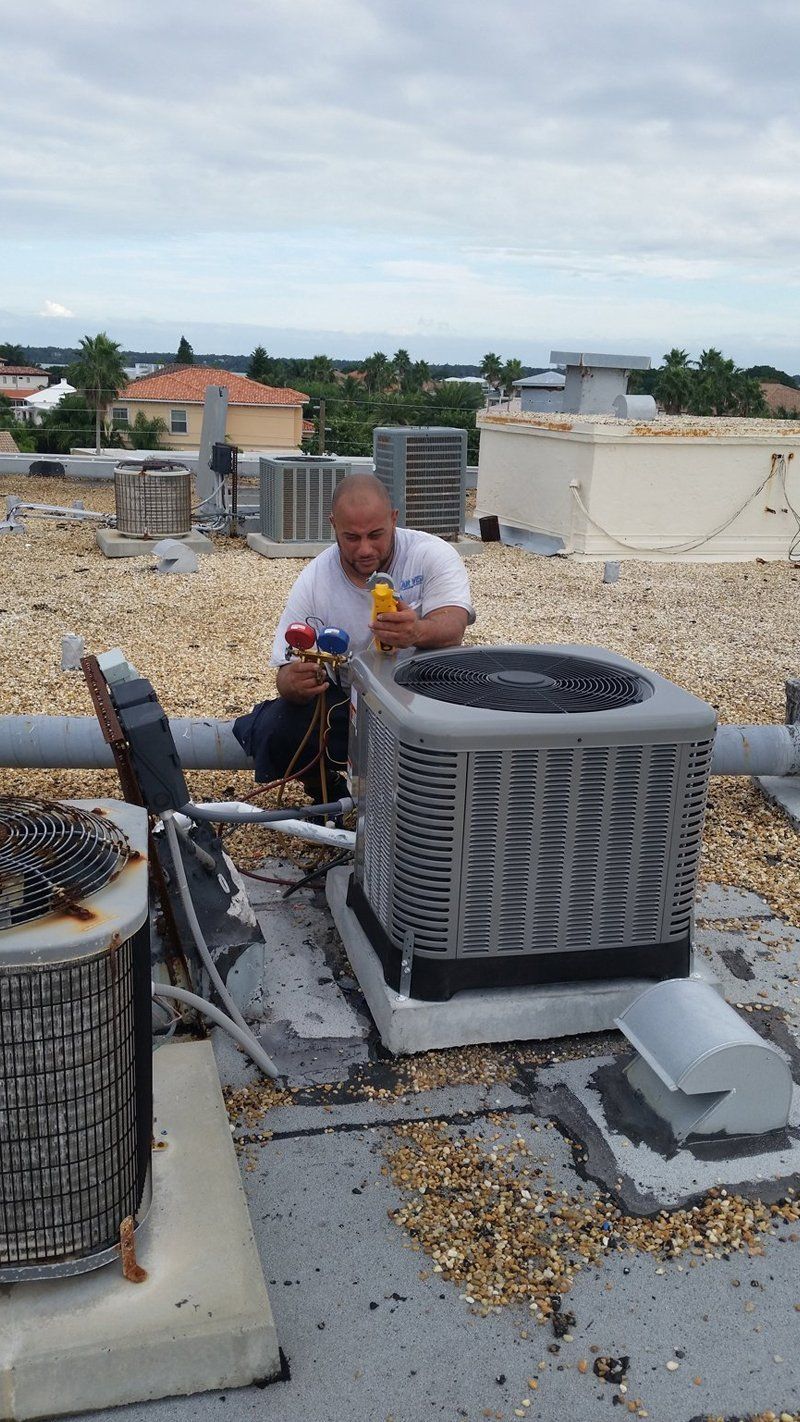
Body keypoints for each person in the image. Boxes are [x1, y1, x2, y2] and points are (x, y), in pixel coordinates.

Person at [233, 472, 475, 798]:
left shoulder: (431, 554)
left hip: (427, 698)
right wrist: (295, 683)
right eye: (351, 537)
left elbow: (454, 625)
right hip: (351, 704)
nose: (365, 549)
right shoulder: (316, 579)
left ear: (394, 519)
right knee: (276, 727)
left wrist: (417, 630)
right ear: (333, 524)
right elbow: (284, 671)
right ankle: (325, 792)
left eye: (376, 535)